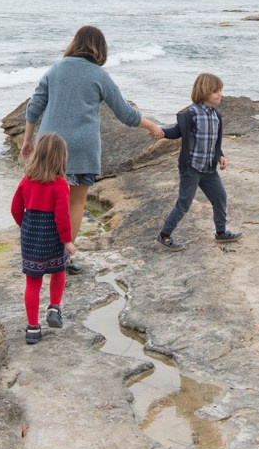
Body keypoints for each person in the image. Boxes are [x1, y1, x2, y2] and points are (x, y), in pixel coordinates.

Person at [20, 25, 164, 272]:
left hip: (50, 148)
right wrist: (151, 125)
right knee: (75, 203)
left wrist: (28, 139)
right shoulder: (99, 75)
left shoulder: (55, 70)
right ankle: (64, 258)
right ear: (100, 49)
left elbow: (34, 107)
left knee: (47, 202)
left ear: (75, 43)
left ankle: (42, 254)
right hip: (82, 148)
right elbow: (125, 113)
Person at [155, 72, 241, 251]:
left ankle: (221, 233)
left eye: (221, 90)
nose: (220, 94)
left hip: (209, 169)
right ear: (204, 91)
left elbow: (214, 141)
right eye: (216, 91)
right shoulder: (191, 114)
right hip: (192, 168)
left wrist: (220, 156)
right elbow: (177, 131)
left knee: (220, 197)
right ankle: (164, 235)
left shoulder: (216, 116)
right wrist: (161, 132)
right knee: (184, 202)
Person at [11, 132, 77, 344]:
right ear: (61, 158)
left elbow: (15, 208)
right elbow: (62, 216)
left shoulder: (26, 181)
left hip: (31, 235)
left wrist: (25, 226)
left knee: (33, 281)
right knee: (59, 269)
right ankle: (54, 307)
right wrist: (67, 240)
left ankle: (32, 328)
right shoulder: (60, 184)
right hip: (52, 236)